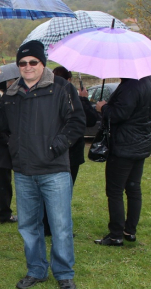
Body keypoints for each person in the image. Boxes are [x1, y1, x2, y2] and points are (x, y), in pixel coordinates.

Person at [0, 40, 85, 289]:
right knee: (28, 225)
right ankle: (36, 270)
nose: (27, 67)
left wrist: (56, 146)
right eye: (22, 63)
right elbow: (3, 126)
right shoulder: (13, 93)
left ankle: (63, 273)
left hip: (54, 170)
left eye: (33, 62)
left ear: (43, 63)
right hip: (24, 171)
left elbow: (77, 121)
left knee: (60, 225)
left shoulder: (62, 88)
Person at [94, 75, 151, 246]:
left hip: (124, 145)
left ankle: (116, 234)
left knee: (115, 191)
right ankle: (129, 230)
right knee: (133, 188)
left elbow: (120, 114)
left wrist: (104, 108)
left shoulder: (131, 86)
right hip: (141, 142)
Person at [42, 66, 98, 236]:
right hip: (68, 151)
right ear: (68, 80)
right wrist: (84, 100)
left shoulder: (49, 94)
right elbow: (89, 120)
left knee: (50, 189)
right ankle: (56, 225)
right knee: (63, 191)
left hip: (54, 149)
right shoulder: (70, 97)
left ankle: (47, 224)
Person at [0, 78, 17, 224]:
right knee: (3, 184)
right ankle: (5, 214)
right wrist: (9, 142)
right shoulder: (0, 101)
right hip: (0, 151)